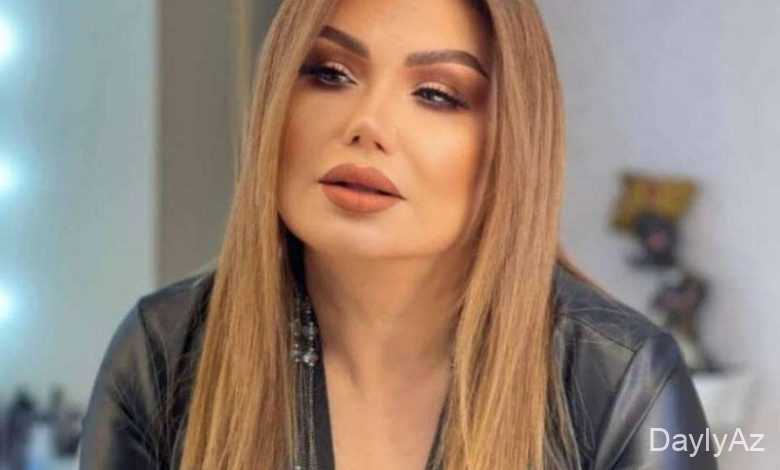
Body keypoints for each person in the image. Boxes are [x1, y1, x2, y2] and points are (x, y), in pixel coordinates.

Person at [79, 0, 718, 469]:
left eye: (437, 94)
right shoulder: (162, 354)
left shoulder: (623, 382)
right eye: (329, 73)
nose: (368, 123)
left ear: (511, 145)